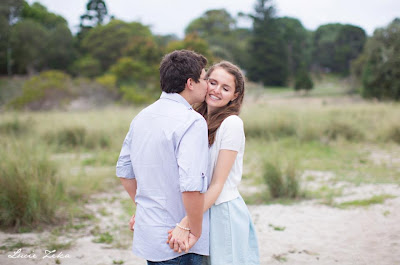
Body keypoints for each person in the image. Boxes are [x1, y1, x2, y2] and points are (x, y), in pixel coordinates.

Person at [116, 50, 211, 265]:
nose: (207, 84)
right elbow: (191, 185)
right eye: (204, 78)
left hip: (150, 233)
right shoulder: (192, 122)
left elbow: (124, 170)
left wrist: (144, 208)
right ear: (190, 83)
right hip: (180, 241)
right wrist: (194, 231)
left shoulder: (142, 116)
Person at [168, 61, 260, 265]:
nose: (216, 91)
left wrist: (186, 222)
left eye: (225, 88)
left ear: (235, 95)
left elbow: (217, 184)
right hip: (200, 209)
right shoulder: (195, 119)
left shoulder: (232, 124)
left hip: (221, 211)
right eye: (213, 82)